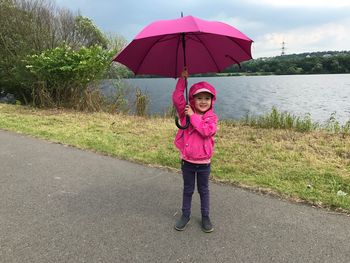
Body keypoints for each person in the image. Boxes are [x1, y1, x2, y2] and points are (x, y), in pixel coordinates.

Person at [172, 68, 218, 233]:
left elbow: (206, 131)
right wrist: (182, 80)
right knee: (188, 189)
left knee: (203, 190)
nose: (203, 101)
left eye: (207, 98)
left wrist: (194, 116)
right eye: (199, 98)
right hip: (188, 162)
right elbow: (177, 98)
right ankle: (186, 215)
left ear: (212, 101)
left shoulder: (211, 118)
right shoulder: (185, 114)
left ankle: (205, 216)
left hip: (204, 163)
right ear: (192, 100)